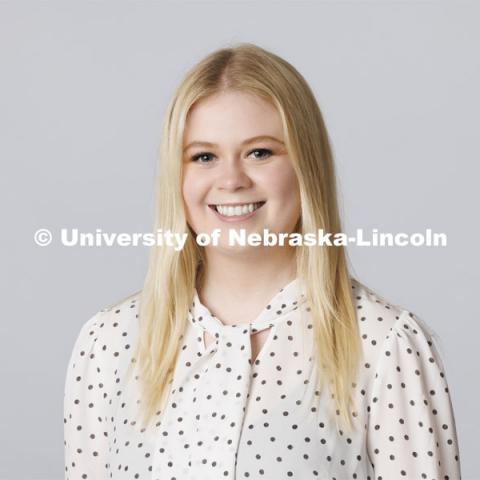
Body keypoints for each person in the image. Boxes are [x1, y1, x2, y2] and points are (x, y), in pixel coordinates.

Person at [63, 43, 462, 480]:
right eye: (204, 157)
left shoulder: (385, 345)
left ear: (307, 166)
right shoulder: (109, 342)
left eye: (260, 152)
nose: (231, 180)